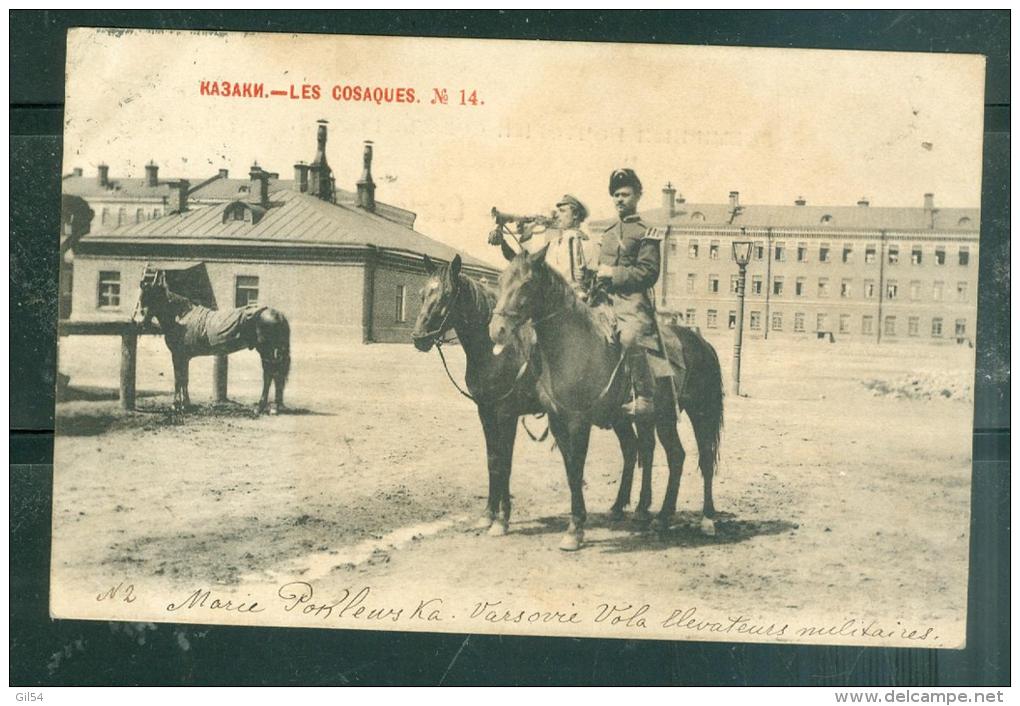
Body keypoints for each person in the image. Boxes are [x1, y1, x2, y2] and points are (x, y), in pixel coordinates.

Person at [595, 168, 664, 417]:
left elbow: (648, 272)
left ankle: (644, 396)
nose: (619, 199)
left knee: (630, 337)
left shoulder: (647, 231)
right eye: (615, 195)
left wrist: (613, 274)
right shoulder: (608, 232)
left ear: (637, 196)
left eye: (625, 194)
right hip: (603, 299)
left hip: (631, 299)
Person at [489, 194, 596, 292]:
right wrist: (528, 232)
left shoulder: (585, 242)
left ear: (576, 214)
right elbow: (528, 263)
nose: (557, 215)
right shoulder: (554, 243)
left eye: (562, 211)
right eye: (558, 211)